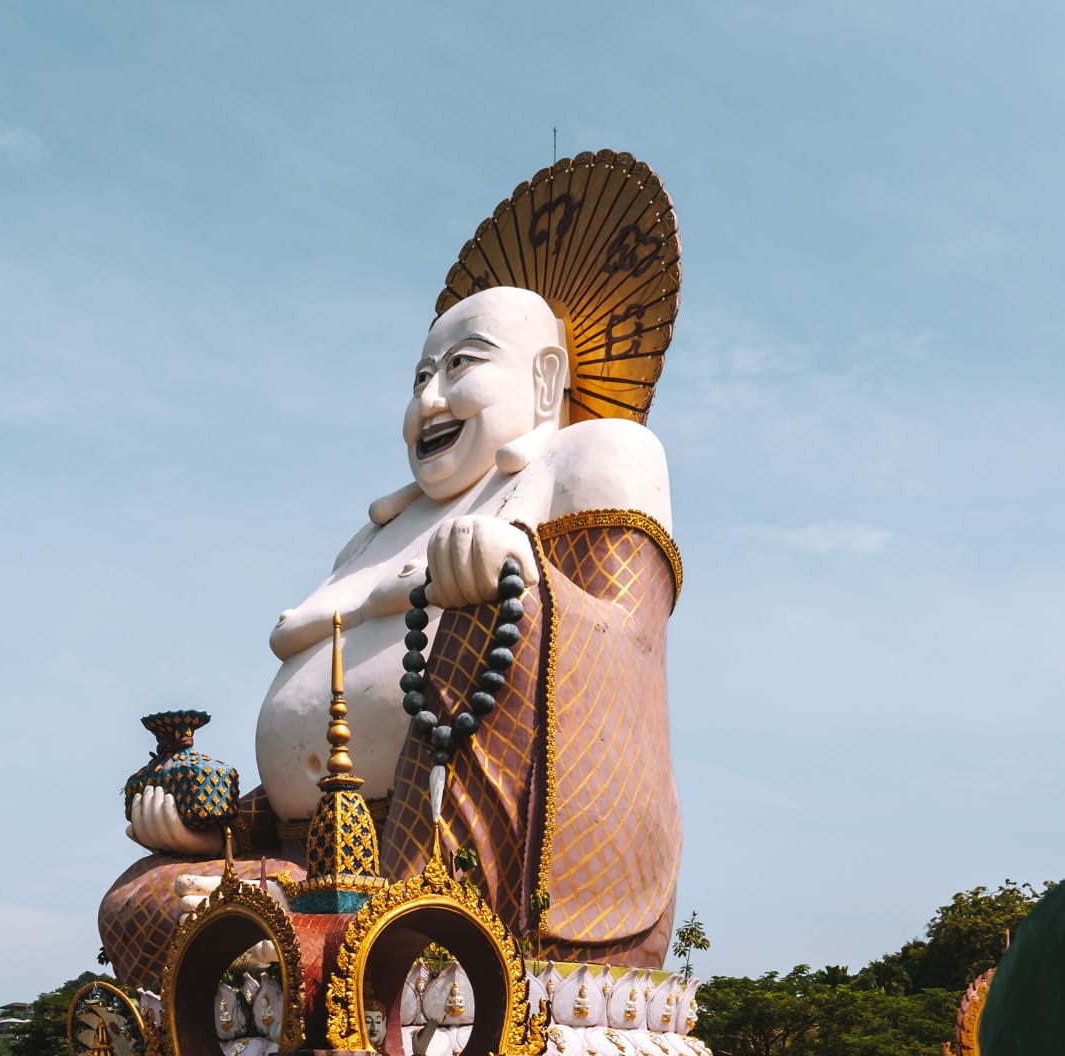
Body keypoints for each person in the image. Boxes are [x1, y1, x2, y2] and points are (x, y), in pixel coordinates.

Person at [101, 152, 683, 982]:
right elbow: (341, 745)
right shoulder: (375, 533)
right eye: (418, 377)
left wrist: (520, 580)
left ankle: (402, 967)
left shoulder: (591, 456)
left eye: (460, 366)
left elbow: (627, 645)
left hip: (467, 863)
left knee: (363, 937)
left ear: (545, 379)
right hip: (317, 862)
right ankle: (302, 978)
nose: (428, 401)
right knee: (145, 903)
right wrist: (222, 830)